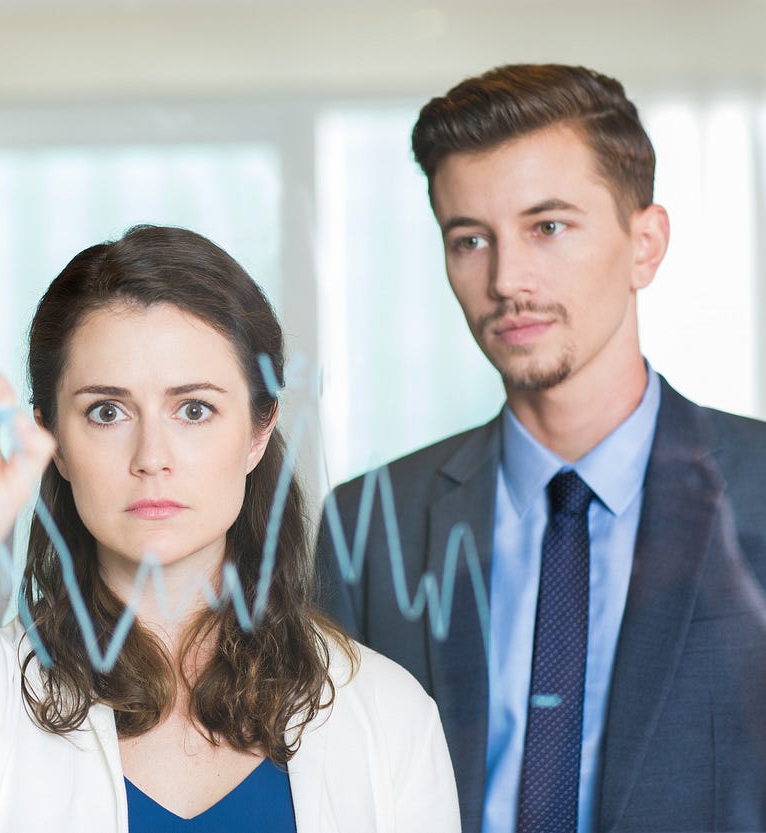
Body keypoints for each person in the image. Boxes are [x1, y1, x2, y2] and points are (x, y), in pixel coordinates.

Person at [0, 225, 459, 833]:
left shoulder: (386, 711)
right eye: (107, 411)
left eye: (194, 409)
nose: (151, 457)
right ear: (51, 433)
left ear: (258, 430)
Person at [314, 63, 766, 833]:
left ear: (644, 244)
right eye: (469, 240)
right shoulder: (370, 518)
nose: (505, 279)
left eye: (547, 227)